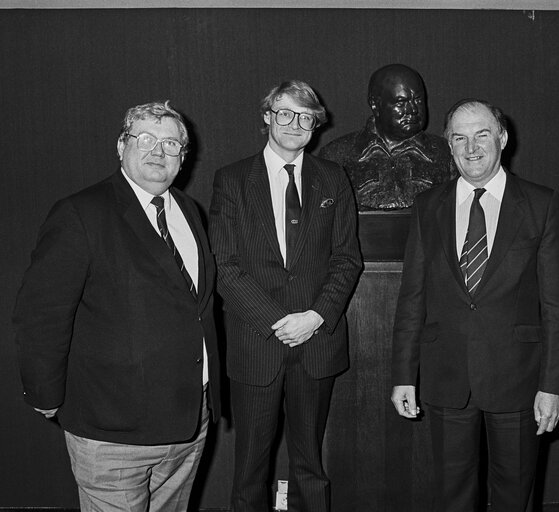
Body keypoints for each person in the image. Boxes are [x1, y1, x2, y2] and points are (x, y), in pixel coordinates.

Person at [13, 100, 220, 510]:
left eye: (171, 144)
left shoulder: (189, 211)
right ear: (121, 145)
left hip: (188, 423)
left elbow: (194, 308)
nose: (158, 151)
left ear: (183, 157)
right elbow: (41, 315)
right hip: (111, 431)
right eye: (145, 139)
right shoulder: (80, 213)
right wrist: (45, 393)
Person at [390, 98, 559, 511]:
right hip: (445, 377)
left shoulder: (542, 205)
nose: (471, 147)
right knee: (452, 497)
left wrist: (552, 385)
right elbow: (411, 298)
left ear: (503, 138)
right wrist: (403, 374)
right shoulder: (427, 207)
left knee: (514, 496)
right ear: (448, 145)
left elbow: (558, 306)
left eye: (482, 135)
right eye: (459, 137)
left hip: (520, 381)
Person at [209, 80, 362, 512]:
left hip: (317, 341)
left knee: (311, 464)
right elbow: (224, 264)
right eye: (284, 113)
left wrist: (314, 317)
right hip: (257, 344)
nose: (294, 124)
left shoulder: (334, 178)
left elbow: (347, 259)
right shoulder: (232, 179)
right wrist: (279, 322)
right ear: (266, 117)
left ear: (316, 123)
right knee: (250, 469)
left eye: (305, 116)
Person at [319, 63, 454, 210]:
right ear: (375, 104)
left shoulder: (447, 153)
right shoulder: (335, 157)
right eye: (401, 102)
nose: (413, 109)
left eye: (418, 100)